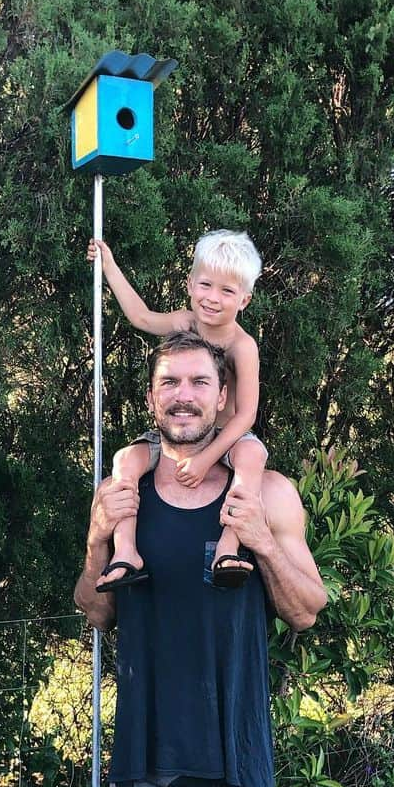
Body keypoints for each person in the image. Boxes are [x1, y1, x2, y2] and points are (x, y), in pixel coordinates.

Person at [74, 330, 327, 787]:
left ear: (223, 400)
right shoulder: (123, 490)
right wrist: (100, 538)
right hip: (146, 749)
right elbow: (96, 612)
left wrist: (265, 542)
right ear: (152, 397)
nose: (183, 396)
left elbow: (306, 610)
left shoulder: (268, 491)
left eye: (198, 383)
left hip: (233, 748)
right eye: (169, 383)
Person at [87, 231, 267, 592]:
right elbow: (139, 316)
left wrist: (208, 458)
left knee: (253, 453)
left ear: (244, 299)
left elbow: (246, 415)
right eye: (205, 285)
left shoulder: (241, 346)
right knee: (125, 460)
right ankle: (126, 551)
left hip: (224, 437)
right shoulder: (185, 322)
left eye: (227, 291)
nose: (212, 298)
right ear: (189, 283)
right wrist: (108, 265)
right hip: (178, 433)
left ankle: (229, 547)